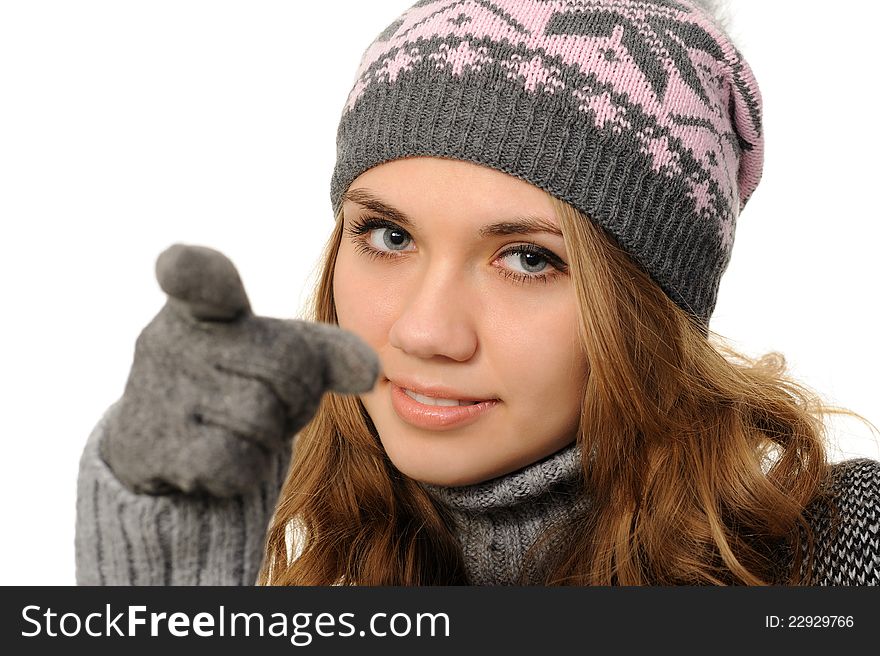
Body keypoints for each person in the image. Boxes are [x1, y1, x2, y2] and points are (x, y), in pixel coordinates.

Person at [75, 0, 880, 586]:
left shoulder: (847, 559)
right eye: (389, 237)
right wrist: (161, 588)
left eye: (528, 258)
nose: (425, 333)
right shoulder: (317, 571)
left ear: (647, 307)